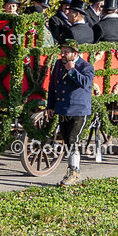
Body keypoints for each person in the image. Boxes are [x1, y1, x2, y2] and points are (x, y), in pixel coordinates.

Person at [45, 38, 95, 187]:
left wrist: (72, 70)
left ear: (75, 53)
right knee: (67, 141)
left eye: (66, 52)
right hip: (63, 109)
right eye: (62, 52)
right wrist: (51, 106)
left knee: (73, 140)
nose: (63, 55)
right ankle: (74, 171)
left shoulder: (85, 67)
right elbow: (53, 86)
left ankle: (73, 172)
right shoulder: (59, 66)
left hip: (79, 111)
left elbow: (85, 83)